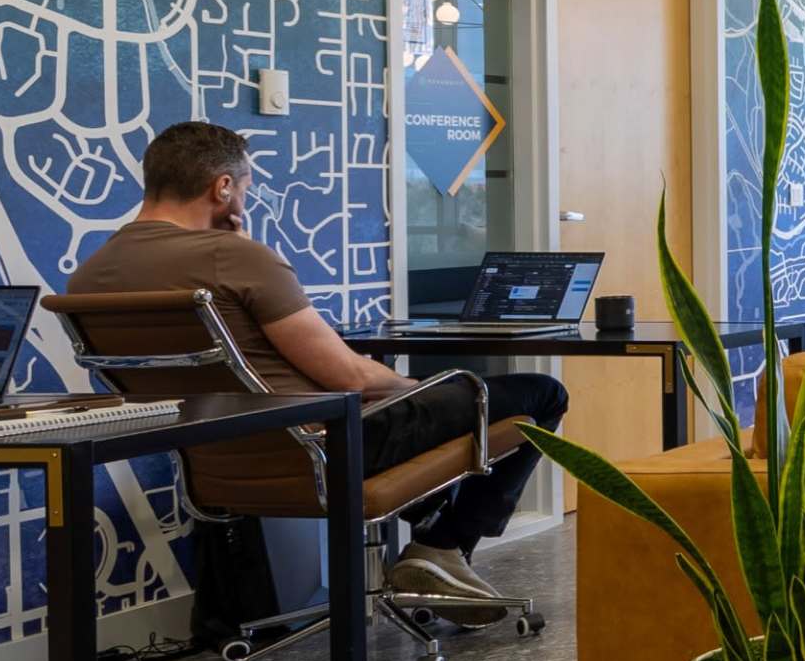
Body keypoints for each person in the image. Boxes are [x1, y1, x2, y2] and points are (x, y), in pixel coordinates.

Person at [71, 121, 565, 603]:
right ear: (222, 187)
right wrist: (420, 387)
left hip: (214, 464)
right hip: (328, 446)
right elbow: (352, 376)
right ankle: (442, 545)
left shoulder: (90, 276)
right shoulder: (235, 258)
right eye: (245, 188)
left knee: (437, 408)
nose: (244, 199)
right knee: (538, 394)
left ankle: (433, 524)